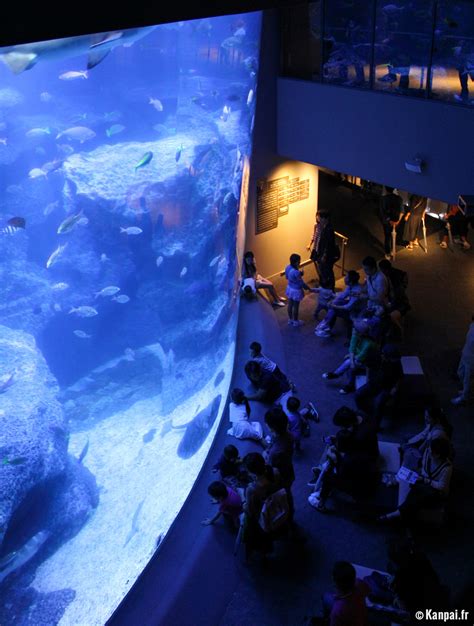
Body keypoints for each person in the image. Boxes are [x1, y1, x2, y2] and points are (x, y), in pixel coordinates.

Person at [379, 438, 453, 525]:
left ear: (437, 455)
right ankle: (401, 515)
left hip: (435, 489)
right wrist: (418, 475)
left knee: (417, 492)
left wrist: (426, 480)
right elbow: (423, 469)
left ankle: (397, 514)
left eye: (431, 450)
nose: (428, 450)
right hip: (423, 480)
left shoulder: (447, 468)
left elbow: (442, 486)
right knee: (411, 480)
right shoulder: (428, 453)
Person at [322, 317, 380, 394]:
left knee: (351, 367)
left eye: (356, 329)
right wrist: (351, 358)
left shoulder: (369, 344)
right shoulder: (356, 334)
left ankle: (345, 381)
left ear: (362, 333)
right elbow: (352, 348)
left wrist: (351, 359)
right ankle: (338, 375)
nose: (353, 330)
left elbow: (361, 357)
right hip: (357, 357)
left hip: (368, 361)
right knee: (350, 363)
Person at [242, 452, 281, 558]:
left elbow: (250, 511)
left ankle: (261, 555)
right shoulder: (275, 472)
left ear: (251, 472)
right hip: (275, 507)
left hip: (261, 517)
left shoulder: (252, 489)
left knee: (257, 537)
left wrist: (243, 504)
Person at [355, 343, 403, 426]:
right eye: (392, 358)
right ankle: (366, 412)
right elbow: (367, 365)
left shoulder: (396, 363)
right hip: (373, 383)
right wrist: (367, 378)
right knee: (358, 395)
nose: (394, 360)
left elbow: (400, 377)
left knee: (378, 404)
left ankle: (375, 425)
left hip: (386, 387)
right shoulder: (375, 357)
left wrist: (395, 388)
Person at [264, 407, 295, 520]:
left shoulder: (275, 452)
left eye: (266, 423)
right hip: (289, 470)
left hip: (280, 478)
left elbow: (271, 466)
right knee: (287, 493)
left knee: (282, 496)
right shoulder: (289, 434)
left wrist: (266, 456)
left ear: (271, 427)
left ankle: (287, 516)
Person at [315, 270, 365, 338]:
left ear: (350, 282)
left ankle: (325, 327)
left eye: (346, 277)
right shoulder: (351, 286)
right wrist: (332, 302)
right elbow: (342, 295)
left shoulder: (357, 291)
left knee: (333, 309)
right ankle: (325, 326)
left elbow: (348, 307)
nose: (345, 278)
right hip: (351, 306)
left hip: (356, 311)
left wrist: (334, 305)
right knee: (334, 303)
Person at [400, 405, 453, 469]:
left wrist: (411, 449)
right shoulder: (431, 424)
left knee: (408, 454)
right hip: (428, 444)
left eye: (428, 417)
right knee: (406, 439)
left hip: (434, 452)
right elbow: (423, 434)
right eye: (425, 416)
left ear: (436, 419)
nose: (425, 418)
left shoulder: (438, 433)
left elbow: (425, 447)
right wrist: (409, 442)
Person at [322, 561, 370, 626]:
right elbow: (367, 590)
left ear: (335, 583)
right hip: (362, 619)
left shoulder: (337, 611)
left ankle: (325, 616)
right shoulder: (360, 583)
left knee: (325, 596)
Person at [378, 259, 410, 337]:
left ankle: (399, 332)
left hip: (401, 304)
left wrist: (388, 304)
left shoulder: (394, 280)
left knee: (389, 317)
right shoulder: (394, 273)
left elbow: (396, 297)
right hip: (396, 301)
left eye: (382, 271)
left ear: (386, 270)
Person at [307, 211, 338, 289]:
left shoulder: (328, 229)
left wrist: (324, 255)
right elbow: (315, 236)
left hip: (325, 254)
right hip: (319, 250)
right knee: (321, 268)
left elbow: (328, 244)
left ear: (325, 218)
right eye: (317, 216)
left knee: (327, 270)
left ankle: (330, 286)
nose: (318, 218)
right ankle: (324, 283)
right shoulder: (322, 227)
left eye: (320, 217)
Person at [284, 253, 316, 327]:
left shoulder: (287, 267)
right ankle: (295, 321)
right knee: (296, 306)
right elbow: (301, 283)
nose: (300, 263)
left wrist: (298, 275)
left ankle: (290, 319)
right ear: (296, 262)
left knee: (290, 304)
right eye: (299, 261)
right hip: (296, 291)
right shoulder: (296, 272)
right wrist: (308, 288)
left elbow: (287, 277)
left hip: (290, 288)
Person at [451, 315, 474, 405]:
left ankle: (464, 397)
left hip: (471, 360)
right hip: (465, 355)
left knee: (467, 380)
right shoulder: (472, 325)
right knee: (460, 373)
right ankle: (465, 391)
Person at [379, 186, 402, 259]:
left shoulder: (383, 199)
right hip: (396, 221)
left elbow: (382, 212)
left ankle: (388, 253)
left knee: (387, 237)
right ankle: (393, 250)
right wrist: (398, 221)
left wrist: (389, 220)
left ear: (386, 189)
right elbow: (402, 211)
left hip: (387, 222)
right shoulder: (399, 199)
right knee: (394, 236)